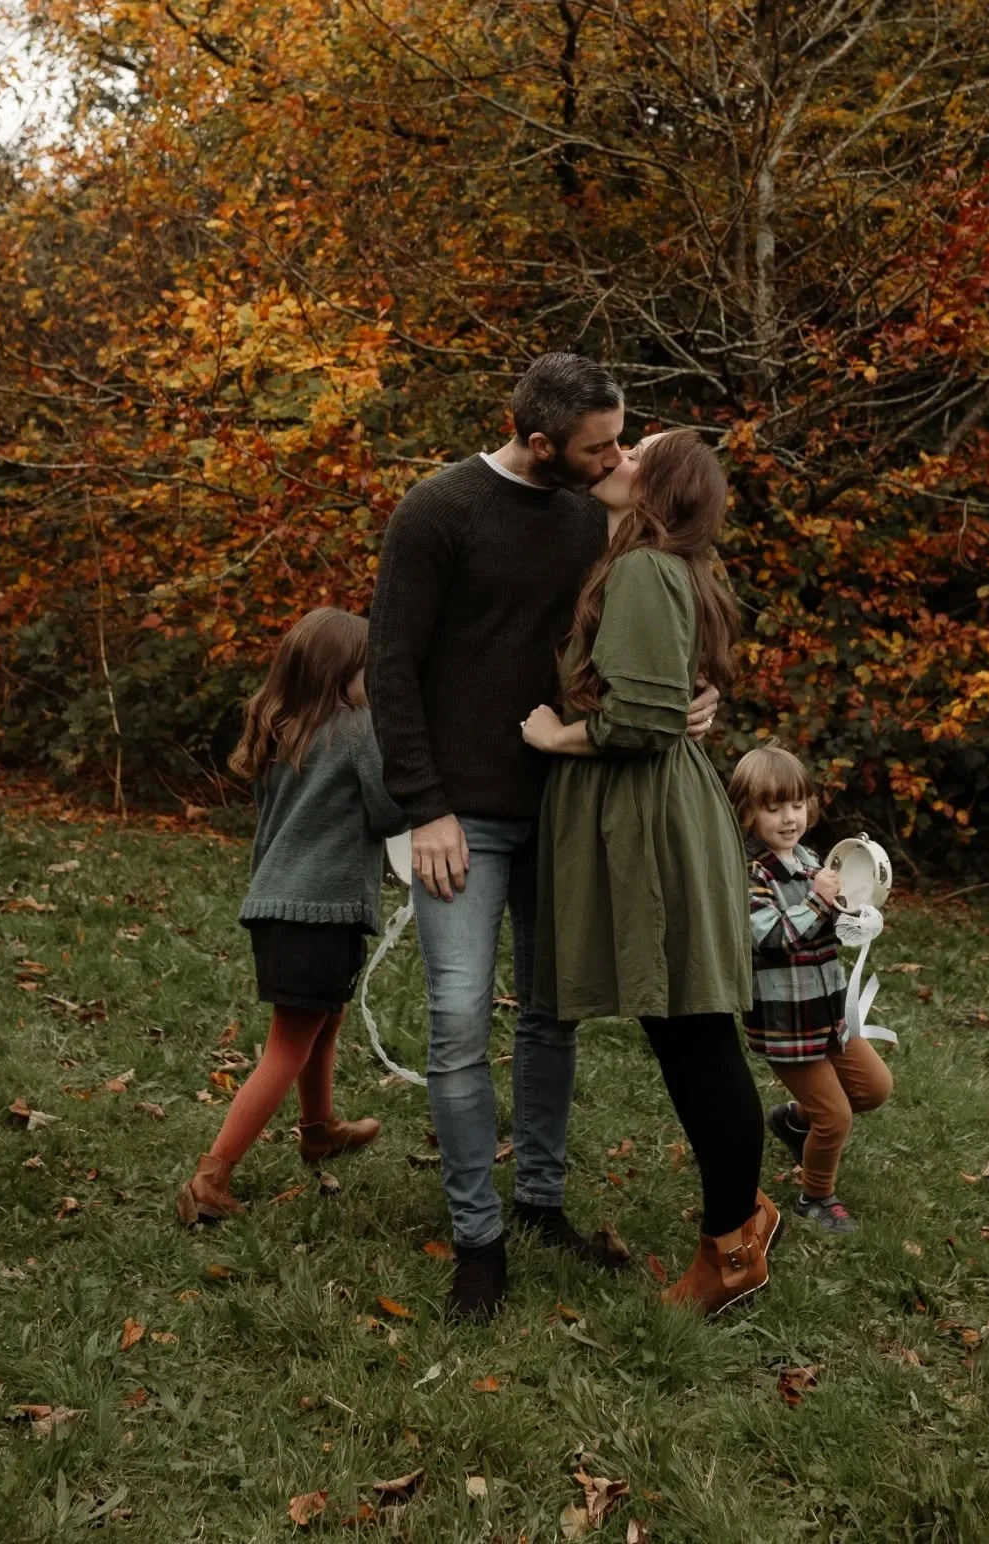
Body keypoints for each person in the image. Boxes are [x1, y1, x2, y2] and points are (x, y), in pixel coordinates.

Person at [366, 356, 719, 1320]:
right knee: (455, 1016)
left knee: (551, 1016)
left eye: (621, 439)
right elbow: (389, 668)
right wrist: (424, 807)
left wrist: (690, 695)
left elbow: (639, 629)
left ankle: (540, 1202)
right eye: (600, 446)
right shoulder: (438, 512)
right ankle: (477, 1242)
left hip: (568, 802)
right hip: (459, 817)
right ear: (536, 441)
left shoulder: (592, 517)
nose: (618, 458)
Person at [523, 429, 779, 1318]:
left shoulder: (643, 571)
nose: (618, 456)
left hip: (655, 822)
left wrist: (556, 734)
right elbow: (670, 698)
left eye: (637, 452)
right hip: (665, 813)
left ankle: (733, 1248)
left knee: (694, 1036)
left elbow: (638, 716)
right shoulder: (670, 570)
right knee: (690, 1032)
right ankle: (742, 1222)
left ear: (659, 487)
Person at [176, 608, 404, 1225]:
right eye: (366, 669)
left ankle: (319, 1128)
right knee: (287, 1047)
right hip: (320, 913)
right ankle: (211, 1177)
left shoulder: (282, 728)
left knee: (322, 1018)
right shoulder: (357, 728)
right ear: (341, 674)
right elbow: (386, 813)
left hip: (275, 908)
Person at [728, 744, 894, 1232]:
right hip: (788, 1025)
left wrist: (857, 916)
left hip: (828, 1012)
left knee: (874, 1089)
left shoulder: (810, 860)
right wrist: (822, 904)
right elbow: (773, 936)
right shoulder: (749, 873)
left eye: (797, 805)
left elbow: (826, 924)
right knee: (836, 1116)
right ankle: (815, 1198)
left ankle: (796, 1120)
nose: (788, 817)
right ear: (746, 811)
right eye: (773, 807)